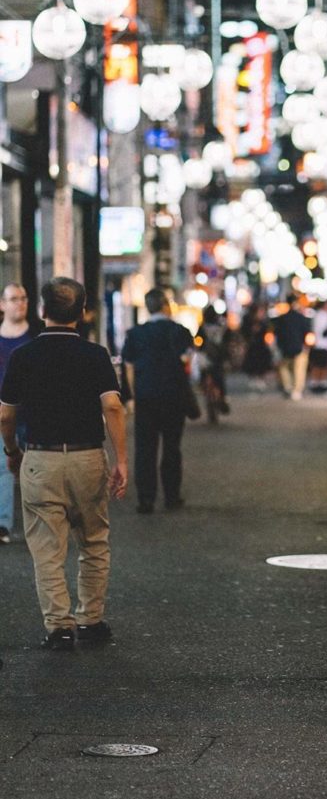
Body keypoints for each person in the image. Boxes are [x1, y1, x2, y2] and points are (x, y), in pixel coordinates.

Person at [0, 277, 127, 650]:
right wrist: (120, 459)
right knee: (93, 541)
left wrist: (12, 452)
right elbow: (113, 406)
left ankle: (59, 627)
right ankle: (91, 620)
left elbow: (5, 416)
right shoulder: (96, 355)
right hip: (88, 456)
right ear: (82, 312)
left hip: (40, 457)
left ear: (41, 312)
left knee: (46, 547)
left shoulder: (24, 357)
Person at [121, 288, 194, 515]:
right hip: (173, 395)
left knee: (145, 449)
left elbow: (129, 366)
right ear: (165, 305)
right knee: (172, 447)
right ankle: (172, 496)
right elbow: (187, 360)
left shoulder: (135, 334)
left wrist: (131, 396)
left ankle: (146, 498)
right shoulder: (180, 332)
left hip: (145, 397)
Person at [0, 283, 38, 544]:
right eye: (14, 299)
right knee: (3, 467)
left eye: (23, 298)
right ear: (2, 304)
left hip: (32, 412)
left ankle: (37, 522)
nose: (20, 303)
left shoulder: (36, 336)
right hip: (2, 412)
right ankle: (3, 524)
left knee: (35, 469)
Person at [272, 294, 311, 400]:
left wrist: (279, 346)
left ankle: (288, 387)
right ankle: (297, 390)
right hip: (299, 347)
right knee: (299, 370)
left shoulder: (282, 318)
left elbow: (277, 333)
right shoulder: (301, 318)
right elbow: (307, 333)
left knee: (284, 368)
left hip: (285, 347)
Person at [197, 305, 230, 415]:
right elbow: (228, 340)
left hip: (206, 357)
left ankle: (207, 393)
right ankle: (222, 398)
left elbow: (198, 341)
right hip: (219, 358)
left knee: (204, 376)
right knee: (220, 379)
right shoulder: (221, 327)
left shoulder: (203, 327)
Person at [308, 299, 327, 391]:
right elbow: (324, 330)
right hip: (322, 343)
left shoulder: (322, 315)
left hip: (322, 344)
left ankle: (319, 382)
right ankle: (318, 382)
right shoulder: (323, 315)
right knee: (320, 364)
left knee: (321, 364)